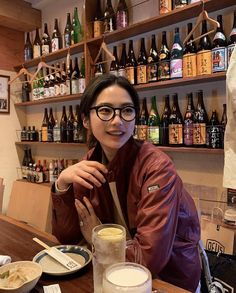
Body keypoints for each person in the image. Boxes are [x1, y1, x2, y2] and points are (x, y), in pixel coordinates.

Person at [51, 74, 201, 292]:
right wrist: (62, 183)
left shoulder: (157, 168)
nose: (117, 120)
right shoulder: (89, 165)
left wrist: (98, 234)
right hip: (115, 275)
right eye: (105, 110)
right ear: (85, 119)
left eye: (127, 111)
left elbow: (149, 259)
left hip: (168, 280)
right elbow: (68, 238)